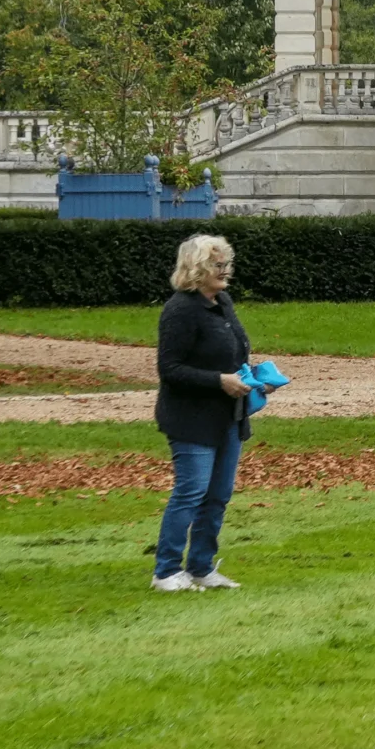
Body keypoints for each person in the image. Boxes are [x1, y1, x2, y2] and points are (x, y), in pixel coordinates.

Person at [153, 232, 253, 592]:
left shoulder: (222, 301)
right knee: (191, 492)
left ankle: (200, 567)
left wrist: (255, 378)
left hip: (228, 415)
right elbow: (170, 369)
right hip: (190, 418)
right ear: (197, 269)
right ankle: (165, 571)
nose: (226, 271)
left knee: (218, 495)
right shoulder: (180, 309)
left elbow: (235, 353)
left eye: (227, 264)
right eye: (218, 265)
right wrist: (218, 381)